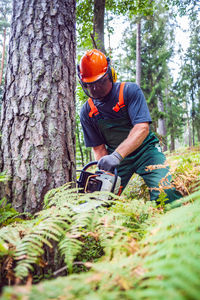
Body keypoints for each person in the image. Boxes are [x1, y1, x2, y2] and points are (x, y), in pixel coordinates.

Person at [77, 49, 182, 203]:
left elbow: (142, 128)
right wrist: (106, 169)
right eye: (89, 85)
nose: (94, 89)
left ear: (109, 75)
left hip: (146, 151)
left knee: (165, 191)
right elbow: (99, 149)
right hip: (115, 160)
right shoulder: (87, 111)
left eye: (99, 83)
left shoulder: (128, 91)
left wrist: (117, 156)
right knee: (100, 201)